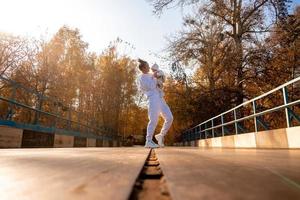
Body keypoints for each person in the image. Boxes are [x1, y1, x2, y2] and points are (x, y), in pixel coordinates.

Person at [137, 59, 173, 148]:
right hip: (152, 98)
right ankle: (148, 141)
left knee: (169, 118)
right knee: (153, 119)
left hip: (160, 98)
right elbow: (150, 86)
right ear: (144, 68)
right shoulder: (142, 78)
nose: (149, 67)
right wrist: (154, 77)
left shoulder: (150, 75)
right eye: (148, 66)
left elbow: (160, 82)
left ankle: (161, 135)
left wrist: (160, 78)